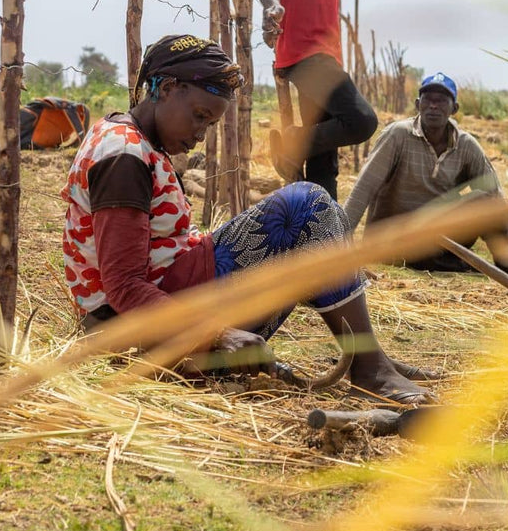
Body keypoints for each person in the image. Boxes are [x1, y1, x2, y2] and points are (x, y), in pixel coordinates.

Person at [61, 34, 431, 405]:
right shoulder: (123, 155)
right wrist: (219, 334)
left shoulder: (132, 141)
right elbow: (124, 287)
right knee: (308, 205)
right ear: (169, 88)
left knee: (322, 218)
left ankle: (369, 356)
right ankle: (370, 369)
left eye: (209, 125)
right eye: (200, 117)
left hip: (171, 308)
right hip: (142, 339)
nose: (200, 135)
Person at [258, 0, 377, 200]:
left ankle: (322, 240)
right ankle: (294, 141)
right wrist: (271, 5)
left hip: (321, 58)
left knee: (324, 166)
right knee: (361, 120)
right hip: (306, 55)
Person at [344, 72, 508, 275]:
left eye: (441, 101)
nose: (433, 106)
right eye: (428, 100)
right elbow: (363, 188)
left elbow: (495, 199)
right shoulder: (398, 136)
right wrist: (338, 246)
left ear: (454, 109)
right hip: (391, 240)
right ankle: (445, 262)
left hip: (437, 238)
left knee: (485, 197)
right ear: (418, 104)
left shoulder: (466, 146)